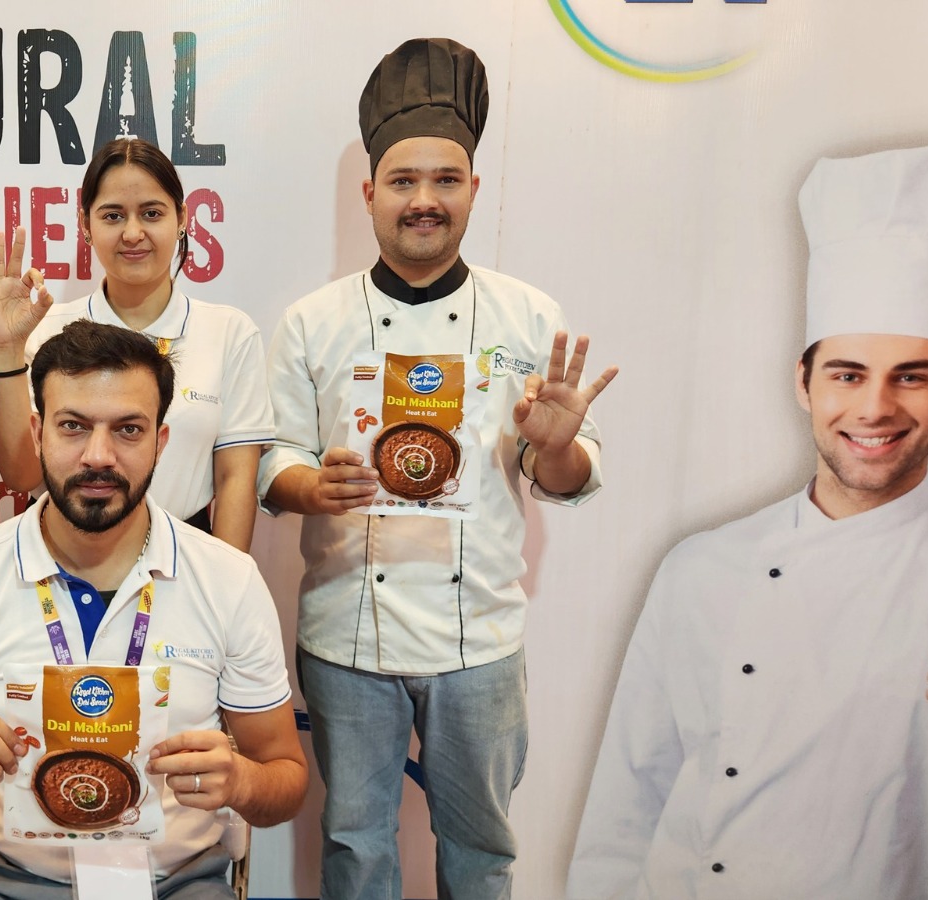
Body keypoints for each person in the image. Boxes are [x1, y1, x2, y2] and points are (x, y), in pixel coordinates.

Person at [257, 39, 617, 899]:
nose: (425, 200)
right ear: (370, 193)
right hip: (348, 632)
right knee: (355, 846)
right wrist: (313, 486)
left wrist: (555, 443)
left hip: (480, 636)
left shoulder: (528, 315)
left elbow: (567, 476)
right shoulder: (313, 321)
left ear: (474, 190)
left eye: (445, 180)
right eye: (404, 181)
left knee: (482, 851)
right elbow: (275, 461)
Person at [566, 145, 928, 898]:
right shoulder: (701, 568)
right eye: (847, 374)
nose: (875, 408)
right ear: (804, 383)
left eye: (911, 376)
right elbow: (628, 802)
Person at [0, 320, 307, 898]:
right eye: (73, 426)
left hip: (178, 880)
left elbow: (286, 783)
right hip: (8, 878)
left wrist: (242, 781)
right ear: (37, 434)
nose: (99, 456)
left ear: (160, 442)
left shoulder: (228, 579)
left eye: (128, 430)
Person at [0, 137, 274, 551]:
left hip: (182, 554)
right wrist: (6, 350)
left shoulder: (229, 332)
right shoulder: (43, 327)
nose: (132, 233)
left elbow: (235, 480)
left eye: (151, 213)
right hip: (60, 553)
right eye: (113, 215)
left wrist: (226, 580)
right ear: (85, 225)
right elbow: (22, 476)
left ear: (182, 218)